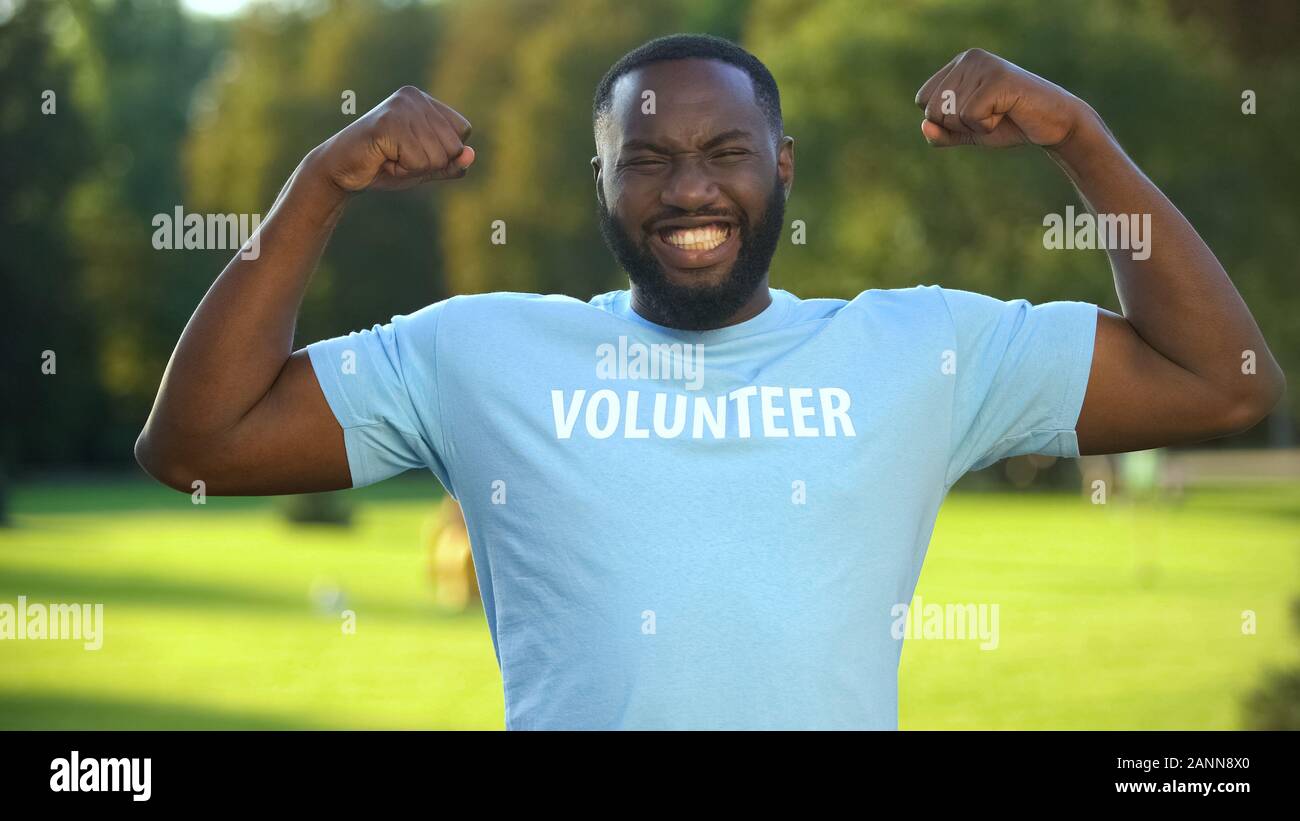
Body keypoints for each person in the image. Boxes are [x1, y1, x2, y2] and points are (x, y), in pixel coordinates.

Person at [135, 34, 1285, 729]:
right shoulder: (478, 353)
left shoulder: (918, 346)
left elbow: (1221, 382)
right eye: (646, 159)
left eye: (725, 152)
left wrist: (1079, 135)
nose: (689, 189)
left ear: (779, 167)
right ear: (600, 184)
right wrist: (318, 184)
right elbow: (196, 446)